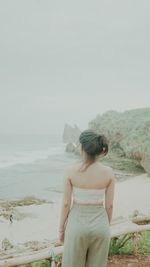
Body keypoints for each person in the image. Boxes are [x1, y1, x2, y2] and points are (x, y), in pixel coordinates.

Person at [58, 129, 115, 267]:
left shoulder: (70, 171)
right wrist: (105, 226)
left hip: (76, 226)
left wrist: (61, 229)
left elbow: (66, 203)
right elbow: (109, 206)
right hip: (101, 226)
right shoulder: (108, 172)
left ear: (82, 148)